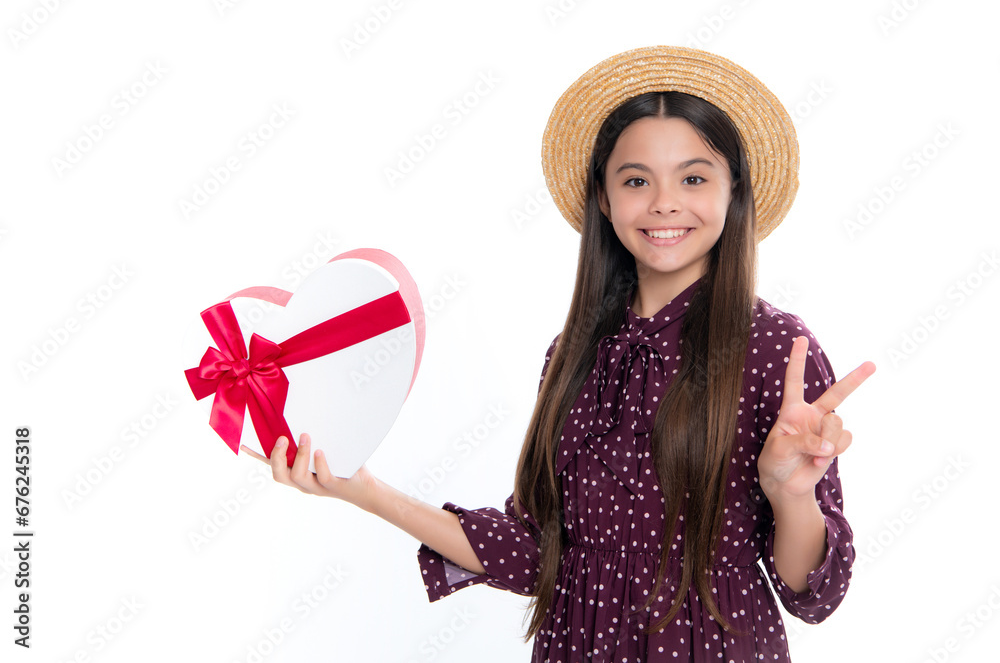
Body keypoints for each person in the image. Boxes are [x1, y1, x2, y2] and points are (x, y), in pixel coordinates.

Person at [243, 46, 876, 662]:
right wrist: (363, 489)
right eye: (635, 180)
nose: (663, 202)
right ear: (603, 197)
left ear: (733, 192)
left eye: (693, 177)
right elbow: (539, 550)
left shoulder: (775, 349)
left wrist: (791, 494)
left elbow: (813, 596)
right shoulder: (574, 353)